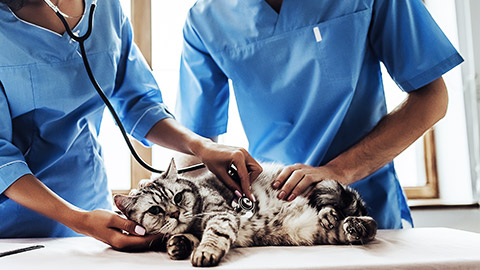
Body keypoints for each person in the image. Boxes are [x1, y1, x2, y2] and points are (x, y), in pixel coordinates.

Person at [176, 0, 464, 229]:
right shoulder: (205, 20)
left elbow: (431, 99)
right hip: (276, 213)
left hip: (364, 203)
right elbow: (197, 147)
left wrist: (338, 172)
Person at [0, 0, 262, 250]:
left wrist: (200, 147)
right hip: (18, 223)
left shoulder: (104, 7)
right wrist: (79, 220)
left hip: (92, 204)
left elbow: (138, 102)